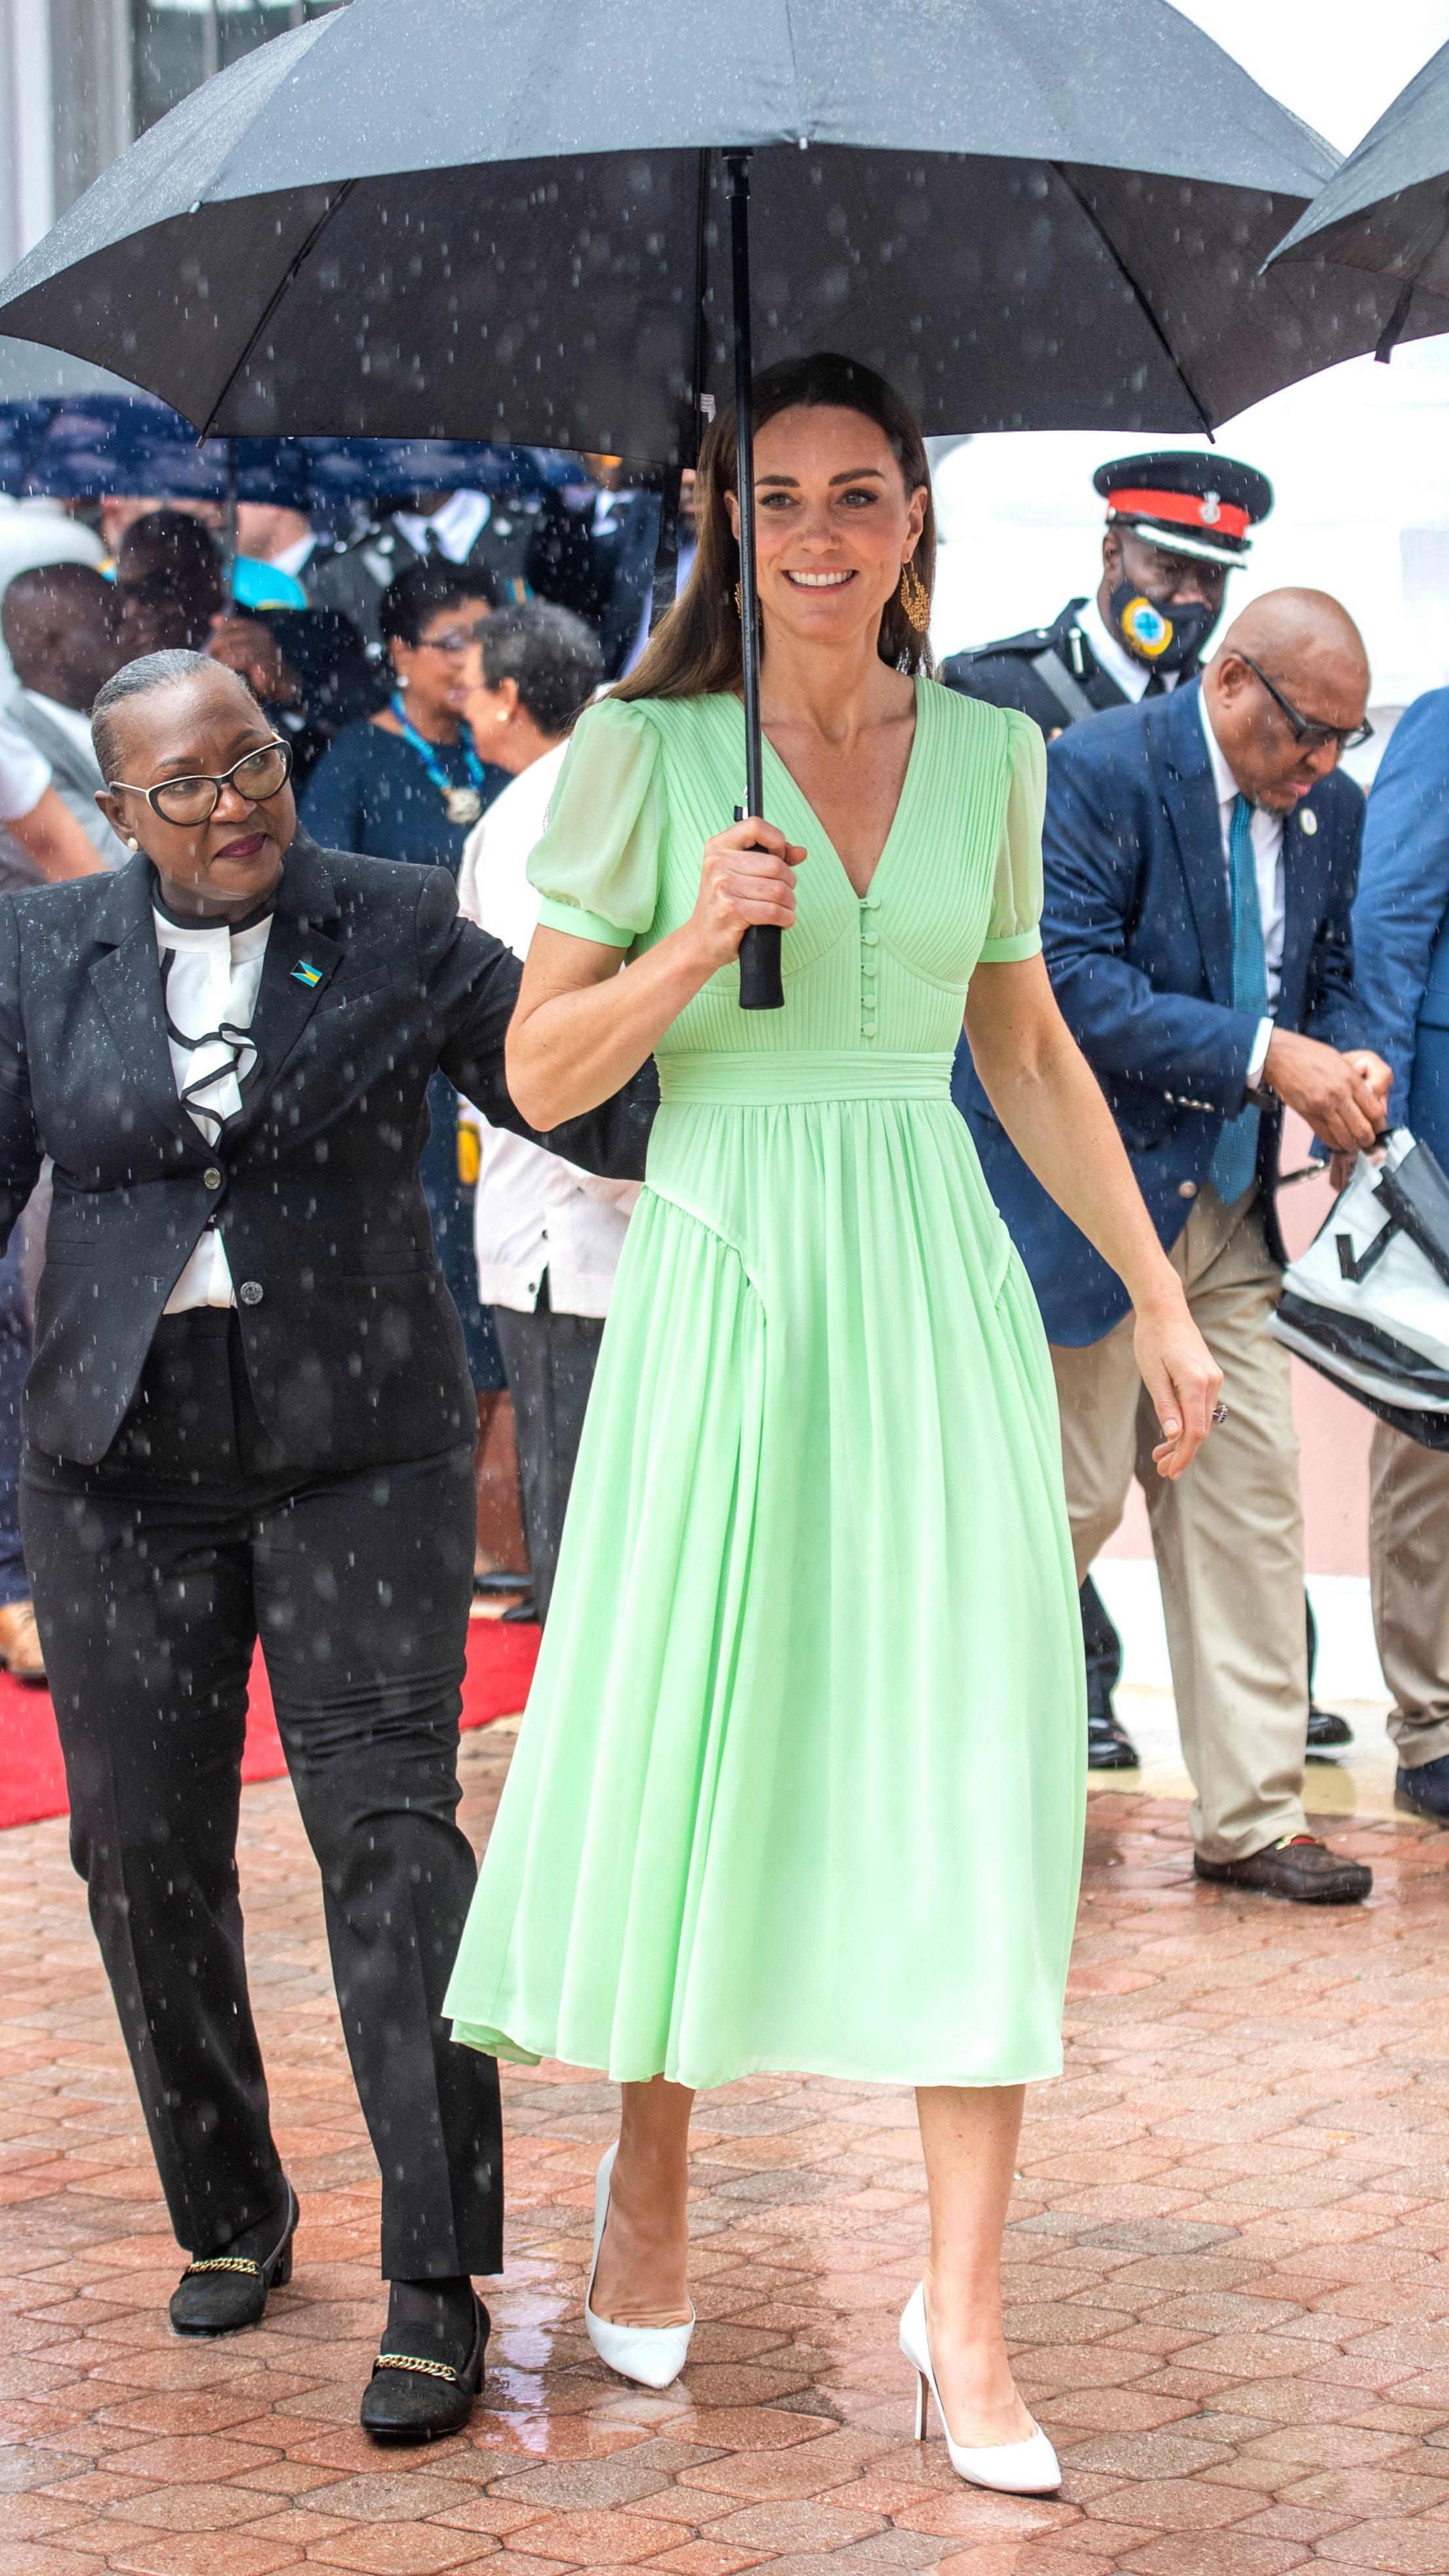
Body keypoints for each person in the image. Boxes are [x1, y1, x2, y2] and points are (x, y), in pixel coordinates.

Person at [443, 353, 1220, 2494]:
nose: (812, 533)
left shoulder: (993, 749)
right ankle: (653, 2174)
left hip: (928, 1280)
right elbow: (534, 1060)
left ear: (909, 520)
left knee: (969, 1762)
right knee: (712, 1737)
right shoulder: (643, 752)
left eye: (853, 493)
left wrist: (1154, 1302)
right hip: (714, 1273)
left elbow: (1028, 1046)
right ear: (725, 519)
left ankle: (959, 2312)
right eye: (772, 495)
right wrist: (694, 931)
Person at [7, 647, 652, 2437]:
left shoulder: (395, 915)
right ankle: (230, 2203)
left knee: (392, 1841)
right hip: (119, 1459)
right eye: (188, 786)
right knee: (142, 1855)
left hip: (359, 1443)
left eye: (258, 764)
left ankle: (438, 2277)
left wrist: (700, 971)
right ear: (122, 807)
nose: (236, 808)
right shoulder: (45, 952)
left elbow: (577, 1091)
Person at [960, 590, 1389, 1903]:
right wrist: (1271, 1057)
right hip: (1084, 1210)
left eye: (1344, 739)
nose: (1320, 765)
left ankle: (1254, 1817)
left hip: (1225, 1218)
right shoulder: (1090, 771)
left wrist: (1351, 1050)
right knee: (1062, 1508)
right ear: (1228, 682)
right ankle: (981, 1798)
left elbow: (1333, 975)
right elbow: (1071, 992)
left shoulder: (1330, 811)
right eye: (1307, 733)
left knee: (1249, 1507)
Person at [944, 450, 1278, 1767]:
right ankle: (1038, 1693)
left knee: (1191, 1468)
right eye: (1162, 568)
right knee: (1050, 1466)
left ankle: (1146, 1717)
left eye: (1206, 579)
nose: (1182, 598)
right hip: (1034, 1117)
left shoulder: (1235, 725)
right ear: (1107, 555)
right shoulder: (996, 691)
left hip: (1186, 1138)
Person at [299, 562, 514, 1469]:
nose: (473, 659)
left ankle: (504, 1503)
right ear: (397, 653)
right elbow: (317, 903)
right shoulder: (357, 758)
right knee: (426, 1244)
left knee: (495, 1237)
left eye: (486, 636)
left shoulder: (502, 750)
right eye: (452, 640)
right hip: (404, 1051)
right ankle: (433, 1482)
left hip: (501, 1029)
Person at [455, 602, 619, 1622]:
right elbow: (540, 1059)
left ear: (513, 698)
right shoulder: (536, 816)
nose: (466, 710)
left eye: (472, 689)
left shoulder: (574, 793)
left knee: (613, 1531)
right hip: (573, 1229)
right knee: (584, 1553)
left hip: (628, 1216)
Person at [1348, 689, 1449, 1825]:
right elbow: (1387, 921)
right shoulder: (1438, 722)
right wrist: (1377, 1130)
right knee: (1428, 1430)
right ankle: (1429, 1724)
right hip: (1438, 1136)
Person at [943, 451, 1273, 737]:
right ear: (1112, 555)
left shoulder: (1235, 706)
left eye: (1213, 578)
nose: (1191, 596)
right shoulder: (990, 690)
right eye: (1169, 570)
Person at [1, 563, 129, 867]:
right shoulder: (17, 747)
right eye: (113, 627)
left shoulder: (99, 716)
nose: (135, 635)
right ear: (46, 644)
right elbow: (106, 868)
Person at [114, 510, 225, 657]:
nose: (136, 607)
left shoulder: (261, 640)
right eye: (126, 590)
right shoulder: (119, 656)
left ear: (210, 580)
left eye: (156, 587)